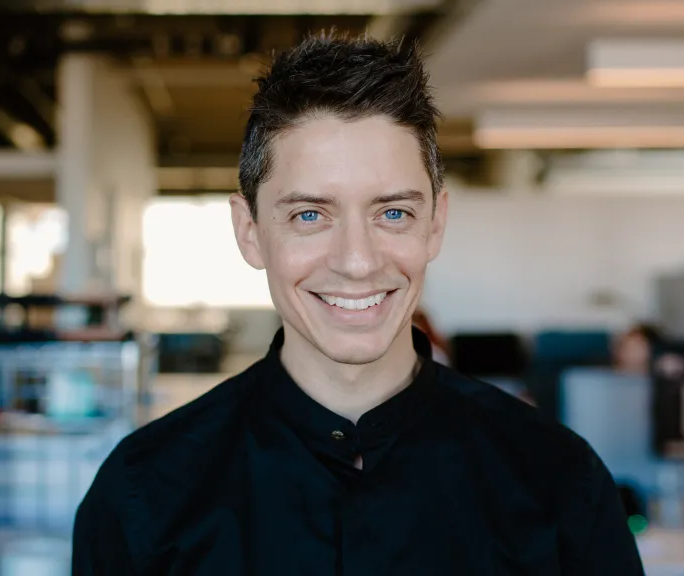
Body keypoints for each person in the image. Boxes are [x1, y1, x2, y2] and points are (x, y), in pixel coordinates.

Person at [72, 32, 644, 575]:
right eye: (309, 215)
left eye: (393, 212)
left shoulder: (559, 479)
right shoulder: (142, 490)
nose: (357, 261)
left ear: (435, 224)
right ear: (249, 233)